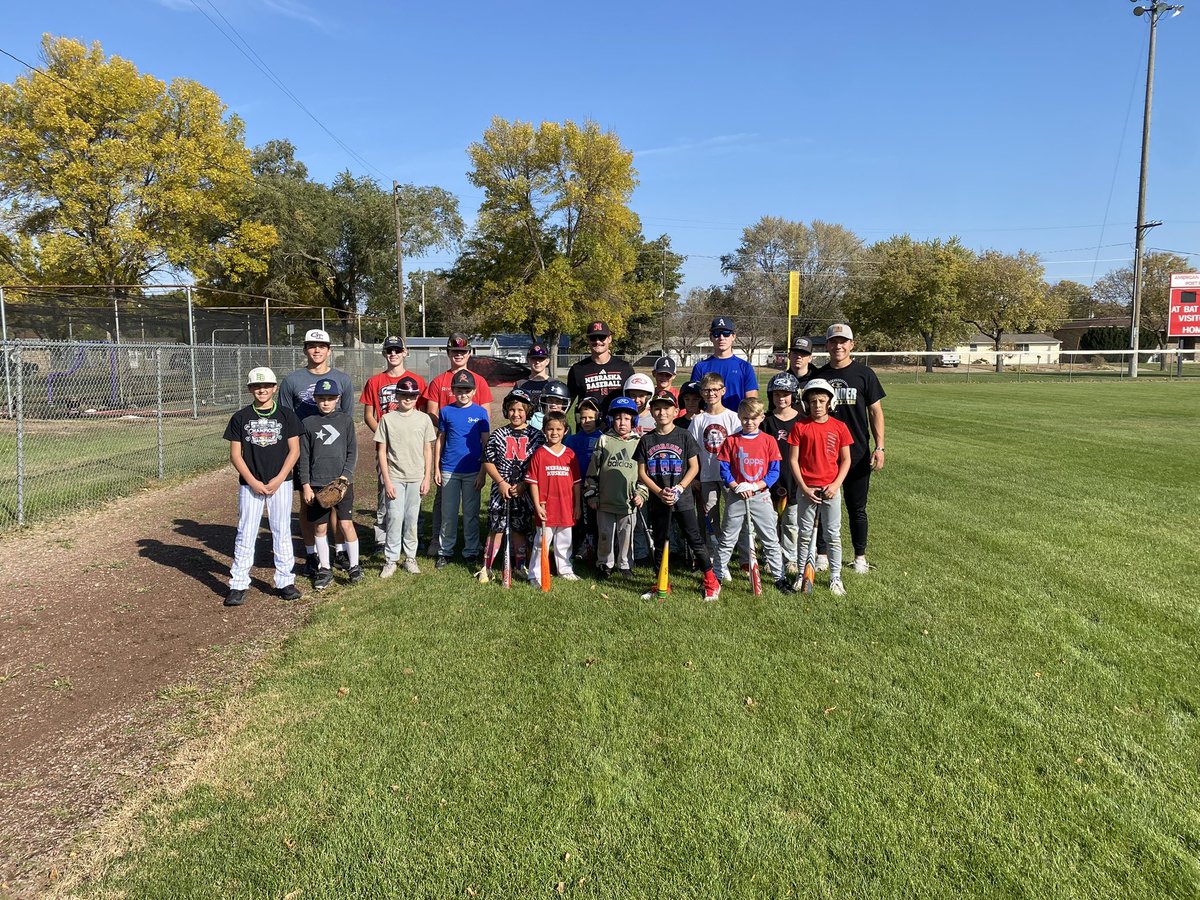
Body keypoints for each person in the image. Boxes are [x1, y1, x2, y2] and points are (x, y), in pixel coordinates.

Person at [223, 367, 302, 607]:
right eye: (257, 386)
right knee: (246, 532)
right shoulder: (241, 417)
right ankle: (238, 583)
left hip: (282, 482)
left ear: (275, 388)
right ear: (250, 389)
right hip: (251, 484)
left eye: (267, 386)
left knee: (281, 530)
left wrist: (280, 478)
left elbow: (294, 450)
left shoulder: (286, 415)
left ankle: (285, 581)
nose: (262, 390)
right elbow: (236, 455)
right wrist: (252, 480)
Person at [278, 329, 354, 575]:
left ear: (329, 350)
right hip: (305, 447)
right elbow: (287, 417)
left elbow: (347, 418)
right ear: (305, 350)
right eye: (311, 346)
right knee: (309, 502)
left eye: (321, 346)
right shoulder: (292, 381)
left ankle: (340, 549)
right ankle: (311, 553)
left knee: (335, 497)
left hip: (333, 450)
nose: (317, 350)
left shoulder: (342, 380)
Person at [635, 391, 721, 602]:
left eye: (667, 408)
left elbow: (694, 466)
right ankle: (662, 582)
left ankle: (711, 581)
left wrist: (680, 488)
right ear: (652, 412)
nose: (662, 412)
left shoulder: (684, 435)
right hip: (659, 499)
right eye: (657, 408)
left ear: (675, 411)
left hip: (681, 498)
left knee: (694, 539)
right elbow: (641, 472)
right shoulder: (647, 440)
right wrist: (659, 492)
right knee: (660, 540)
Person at [815, 323, 886, 574]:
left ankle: (859, 558)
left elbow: (875, 411)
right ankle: (821, 555)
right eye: (833, 342)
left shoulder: (864, 374)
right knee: (824, 503)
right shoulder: (819, 376)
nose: (838, 346)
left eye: (843, 341)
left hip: (856, 452)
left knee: (857, 507)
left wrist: (880, 447)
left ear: (852, 345)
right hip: (825, 454)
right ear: (827, 346)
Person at [422, 333, 494, 555]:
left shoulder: (478, 381)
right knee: (445, 508)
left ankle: (472, 547)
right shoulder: (438, 382)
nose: (459, 355)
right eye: (455, 351)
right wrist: (452, 421)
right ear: (448, 353)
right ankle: (439, 542)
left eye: (463, 352)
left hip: (471, 460)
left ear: (469, 353)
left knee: (470, 510)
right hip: (448, 456)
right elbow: (431, 413)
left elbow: (485, 422)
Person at [715, 398, 794, 594]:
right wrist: (736, 486)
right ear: (739, 418)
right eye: (744, 418)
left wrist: (756, 485)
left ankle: (779, 578)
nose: (748, 422)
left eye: (753, 418)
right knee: (727, 538)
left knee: (770, 539)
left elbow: (774, 472)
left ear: (761, 418)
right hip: (737, 495)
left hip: (760, 496)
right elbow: (724, 469)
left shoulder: (768, 441)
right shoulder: (731, 441)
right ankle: (715, 577)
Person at [360, 336, 427, 554]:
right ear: (385, 354)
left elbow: (423, 414)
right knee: (385, 495)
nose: (394, 354)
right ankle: (382, 539)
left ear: (405, 352)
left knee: (411, 499)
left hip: (410, 448)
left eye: (398, 350)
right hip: (386, 447)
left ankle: (411, 539)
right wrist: (384, 436)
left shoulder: (417, 380)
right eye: (390, 350)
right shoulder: (375, 382)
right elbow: (369, 415)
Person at [787, 378, 853, 597]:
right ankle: (801, 574)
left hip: (830, 489)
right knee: (804, 534)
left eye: (821, 401)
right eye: (813, 401)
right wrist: (804, 488)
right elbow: (794, 460)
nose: (817, 405)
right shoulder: (799, 426)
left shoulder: (840, 427)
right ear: (806, 404)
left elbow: (846, 461)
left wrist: (835, 485)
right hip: (807, 489)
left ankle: (836, 577)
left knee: (833, 534)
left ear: (829, 403)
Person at [298, 377, 361, 590]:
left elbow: (352, 452)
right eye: (322, 398)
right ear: (315, 399)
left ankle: (354, 566)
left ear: (338, 399)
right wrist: (306, 484)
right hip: (317, 483)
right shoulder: (308, 423)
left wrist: (346, 476)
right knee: (320, 527)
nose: (326, 402)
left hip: (342, 483)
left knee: (346, 524)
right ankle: (324, 567)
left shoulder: (345, 421)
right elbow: (303, 457)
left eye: (330, 398)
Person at [375, 375, 436, 578]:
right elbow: (382, 451)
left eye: (411, 395)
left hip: (416, 476)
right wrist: (387, 480)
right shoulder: (387, 419)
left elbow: (428, 449)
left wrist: (427, 477)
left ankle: (410, 557)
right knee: (394, 517)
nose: (407, 399)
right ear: (397, 396)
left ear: (416, 397)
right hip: (395, 476)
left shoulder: (424, 419)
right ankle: (391, 559)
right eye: (403, 395)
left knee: (411, 518)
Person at [481, 388, 544, 582]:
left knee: (520, 528)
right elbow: (487, 459)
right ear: (506, 411)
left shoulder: (537, 436)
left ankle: (519, 565)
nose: (516, 414)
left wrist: (525, 484)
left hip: (524, 490)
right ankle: (487, 567)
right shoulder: (499, 434)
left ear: (527, 411)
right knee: (497, 527)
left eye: (520, 410)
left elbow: (539, 464)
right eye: (512, 410)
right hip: (501, 489)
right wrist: (500, 482)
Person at [583, 396, 646, 579]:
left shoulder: (639, 442)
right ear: (611, 419)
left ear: (633, 420)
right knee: (605, 535)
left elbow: (644, 474)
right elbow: (592, 471)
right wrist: (592, 495)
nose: (622, 423)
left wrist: (641, 493)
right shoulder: (603, 440)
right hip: (605, 501)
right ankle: (605, 563)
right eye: (617, 418)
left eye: (626, 419)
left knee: (627, 536)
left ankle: (625, 564)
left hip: (628, 502)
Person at [434, 370, 489, 570]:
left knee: (471, 513)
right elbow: (440, 440)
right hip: (449, 469)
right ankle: (445, 551)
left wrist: (483, 472)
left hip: (472, 470)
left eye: (467, 390)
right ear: (453, 390)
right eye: (459, 389)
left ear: (473, 391)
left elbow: (486, 445)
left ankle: (471, 550)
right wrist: (437, 468)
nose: (463, 394)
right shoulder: (446, 411)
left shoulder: (481, 413)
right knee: (448, 513)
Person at [688, 372, 742, 564]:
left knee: (734, 513)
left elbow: (739, 449)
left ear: (723, 391)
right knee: (709, 515)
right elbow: (691, 451)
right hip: (706, 475)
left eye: (715, 389)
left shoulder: (733, 418)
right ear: (701, 393)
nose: (711, 393)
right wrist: (693, 476)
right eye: (707, 390)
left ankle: (737, 552)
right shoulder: (698, 420)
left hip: (730, 476)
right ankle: (712, 553)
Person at [525, 411, 582, 586]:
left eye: (559, 429)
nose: (554, 432)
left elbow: (577, 483)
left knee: (564, 542)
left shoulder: (570, 454)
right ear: (544, 430)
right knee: (541, 542)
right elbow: (533, 482)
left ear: (565, 430)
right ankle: (535, 574)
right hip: (546, 508)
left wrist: (577, 506)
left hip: (566, 506)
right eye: (550, 429)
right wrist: (537, 506)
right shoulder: (540, 454)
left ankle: (564, 569)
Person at [763, 372, 802, 576]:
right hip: (770, 479)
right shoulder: (766, 422)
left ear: (793, 395)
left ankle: (790, 558)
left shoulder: (803, 421)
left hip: (794, 479)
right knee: (770, 522)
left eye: (786, 394)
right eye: (777, 394)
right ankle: (771, 556)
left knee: (791, 523)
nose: (781, 398)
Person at [689, 316, 759, 415]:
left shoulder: (745, 367)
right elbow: (694, 399)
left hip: (737, 423)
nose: (721, 338)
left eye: (726, 334)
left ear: (733, 336)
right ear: (711, 337)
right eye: (717, 334)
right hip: (709, 422)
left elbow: (752, 401)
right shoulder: (700, 367)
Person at [566, 320, 634, 414]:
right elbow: (567, 403)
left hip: (617, 426)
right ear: (588, 340)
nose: (597, 342)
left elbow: (635, 400)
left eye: (602, 337)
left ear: (609, 338)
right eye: (593, 338)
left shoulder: (625, 368)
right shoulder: (578, 369)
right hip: (588, 426)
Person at [566, 397, 602, 561]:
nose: (586, 421)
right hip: (575, 485)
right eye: (583, 417)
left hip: (596, 487)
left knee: (595, 521)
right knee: (577, 518)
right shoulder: (572, 439)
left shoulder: (603, 438)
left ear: (598, 418)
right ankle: (578, 549)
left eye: (590, 418)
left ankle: (594, 549)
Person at [517, 342, 552, 411]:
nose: (537, 362)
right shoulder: (520, 384)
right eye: (533, 358)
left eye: (541, 359)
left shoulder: (553, 384)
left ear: (547, 361)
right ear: (528, 360)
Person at [623, 372, 656, 437]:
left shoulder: (655, 418)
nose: (637, 400)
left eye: (641, 396)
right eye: (633, 395)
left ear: (649, 397)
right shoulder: (621, 418)